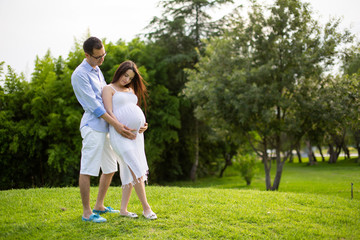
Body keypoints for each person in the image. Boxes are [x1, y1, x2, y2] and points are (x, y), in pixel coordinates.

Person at [71, 37, 136, 223]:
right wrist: (116, 124)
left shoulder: (97, 70)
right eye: (98, 57)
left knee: (110, 168)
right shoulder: (79, 75)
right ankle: (86, 212)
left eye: (103, 55)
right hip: (93, 127)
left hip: (106, 127)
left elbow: (108, 99)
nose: (102, 60)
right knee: (88, 168)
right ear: (87, 55)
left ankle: (99, 205)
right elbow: (95, 107)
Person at [102, 60, 157, 220]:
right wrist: (120, 126)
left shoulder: (131, 90)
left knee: (129, 169)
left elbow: (134, 110)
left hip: (137, 136)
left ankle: (123, 209)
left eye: (130, 77)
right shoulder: (108, 89)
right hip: (119, 134)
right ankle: (146, 208)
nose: (126, 79)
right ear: (119, 72)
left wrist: (143, 125)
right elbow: (109, 112)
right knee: (135, 166)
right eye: (125, 75)